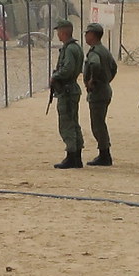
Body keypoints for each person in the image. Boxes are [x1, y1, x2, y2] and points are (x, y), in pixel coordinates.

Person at [50, 19, 85, 169]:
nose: (57, 34)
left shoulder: (70, 49)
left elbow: (68, 68)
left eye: (59, 32)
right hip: (70, 88)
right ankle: (76, 156)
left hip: (67, 90)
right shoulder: (74, 48)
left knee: (67, 124)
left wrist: (56, 76)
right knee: (73, 122)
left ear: (63, 32)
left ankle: (72, 155)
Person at [83, 22, 118, 166]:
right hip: (104, 89)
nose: (85, 36)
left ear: (92, 35)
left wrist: (92, 80)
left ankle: (104, 154)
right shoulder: (104, 50)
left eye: (87, 33)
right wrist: (107, 79)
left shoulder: (95, 52)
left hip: (98, 92)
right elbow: (114, 67)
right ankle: (104, 153)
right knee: (99, 122)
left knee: (98, 124)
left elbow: (95, 65)